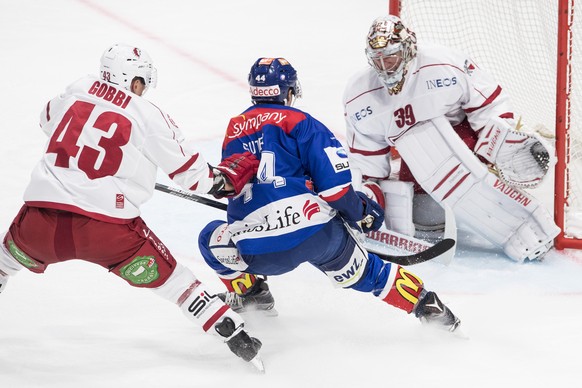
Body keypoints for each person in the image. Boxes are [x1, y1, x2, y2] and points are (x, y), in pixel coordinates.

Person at [0, 43, 264, 366]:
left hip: (40, 223)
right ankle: (236, 336)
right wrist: (224, 181)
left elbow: (46, 121)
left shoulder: (78, 86)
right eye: (142, 82)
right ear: (134, 81)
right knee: (176, 282)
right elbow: (194, 177)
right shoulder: (148, 114)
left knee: (3, 262)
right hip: (108, 233)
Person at [197, 57, 462, 336]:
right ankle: (428, 307)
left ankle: (252, 296)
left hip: (260, 251)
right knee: (371, 273)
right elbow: (335, 190)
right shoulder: (302, 122)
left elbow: (235, 184)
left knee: (209, 238)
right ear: (288, 91)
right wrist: (361, 213)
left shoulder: (235, 128)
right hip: (318, 235)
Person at [342, 15, 560, 263]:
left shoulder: (444, 63)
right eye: (377, 61)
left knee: (481, 153)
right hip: (415, 153)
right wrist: (365, 199)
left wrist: (496, 143)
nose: (385, 68)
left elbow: (489, 103)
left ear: (409, 49)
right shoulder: (359, 94)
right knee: (425, 215)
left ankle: (508, 194)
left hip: (465, 136)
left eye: (390, 58)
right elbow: (369, 165)